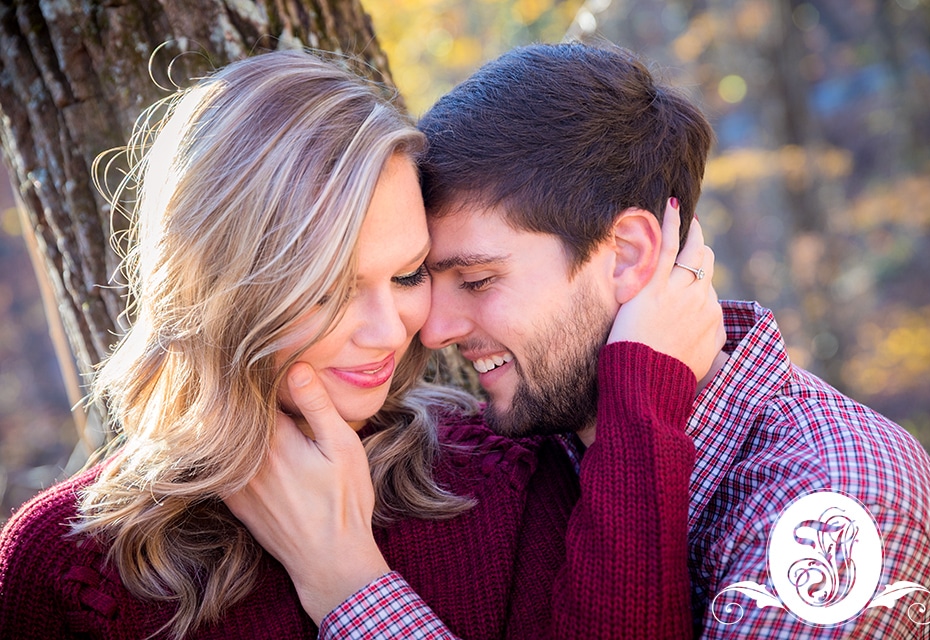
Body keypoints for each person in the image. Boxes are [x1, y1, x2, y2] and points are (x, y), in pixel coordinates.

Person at [230, 42, 930, 638]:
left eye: (478, 281)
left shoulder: (836, 499)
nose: (433, 327)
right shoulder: (526, 454)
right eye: (426, 276)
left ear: (629, 257)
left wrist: (351, 588)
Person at [0, 48, 722, 639]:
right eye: (327, 291)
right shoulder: (65, 564)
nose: (396, 331)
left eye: (408, 274)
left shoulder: (506, 481)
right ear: (214, 292)